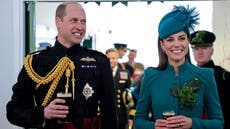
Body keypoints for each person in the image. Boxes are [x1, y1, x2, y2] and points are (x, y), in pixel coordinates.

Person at [6, 2, 118, 129]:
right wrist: (42, 113)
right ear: (58, 22)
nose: (80, 27)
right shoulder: (35, 62)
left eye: (83, 22)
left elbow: (110, 113)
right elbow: (13, 111)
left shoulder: (99, 61)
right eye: (74, 20)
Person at [134, 5, 224, 129]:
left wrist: (193, 123)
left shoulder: (206, 75)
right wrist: (153, 126)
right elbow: (138, 121)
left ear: (188, 41)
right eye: (170, 40)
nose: (177, 44)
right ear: (162, 45)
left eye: (181, 38)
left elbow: (218, 122)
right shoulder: (150, 76)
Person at [191, 30, 230, 129]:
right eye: (196, 48)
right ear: (192, 51)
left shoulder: (224, 76)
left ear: (212, 50)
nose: (200, 52)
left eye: (204, 48)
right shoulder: (188, 75)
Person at [106, 48, 133, 129]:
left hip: (121, 114)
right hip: (106, 113)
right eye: (108, 58)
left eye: (113, 58)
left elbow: (129, 94)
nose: (111, 61)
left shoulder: (125, 73)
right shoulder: (102, 73)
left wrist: (131, 115)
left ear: (117, 58)